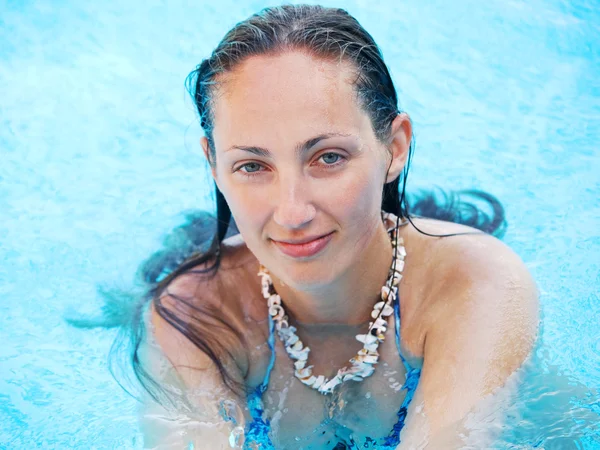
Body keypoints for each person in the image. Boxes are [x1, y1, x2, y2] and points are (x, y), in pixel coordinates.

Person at [126, 4, 539, 449]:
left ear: (395, 148)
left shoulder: (476, 285)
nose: (291, 213)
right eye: (251, 165)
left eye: (328, 158)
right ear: (213, 164)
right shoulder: (195, 315)